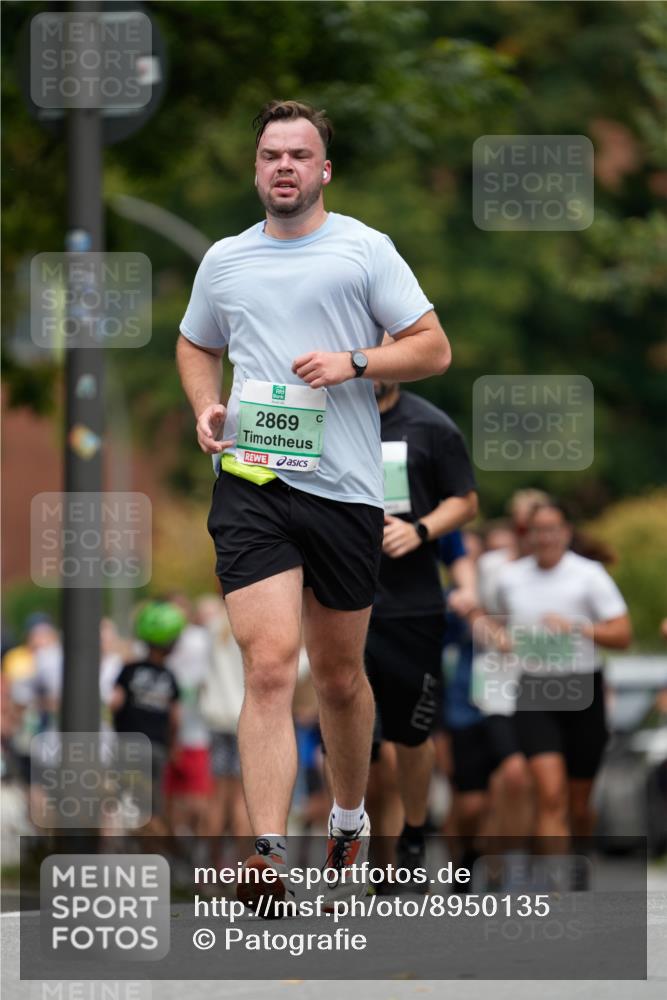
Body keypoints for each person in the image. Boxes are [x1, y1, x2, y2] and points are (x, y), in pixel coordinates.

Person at [176, 99, 451, 910]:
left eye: (299, 155)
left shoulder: (364, 249)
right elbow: (196, 341)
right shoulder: (224, 260)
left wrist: (356, 361)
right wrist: (204, 406)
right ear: (256, 168)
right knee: (267, 666)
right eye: (271, 155)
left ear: (323, 170)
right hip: (255, 481)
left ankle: (347, 817)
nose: (284, 167)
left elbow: (432, 346)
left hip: (344, 488)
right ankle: (264, 854)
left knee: (336, 677)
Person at [365, 382, 477, 886]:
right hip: (343, 602)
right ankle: (358, 844)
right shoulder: (326, 415)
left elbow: (465, 500)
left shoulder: (431, 426)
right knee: (354, 742)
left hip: (412, 608)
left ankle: (412, 833)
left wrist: (420, 531)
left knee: (409, 738)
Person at [495, 500, 632, 847]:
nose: (546, 537)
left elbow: (622, 635)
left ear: (566, 532)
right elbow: (496, 625)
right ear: (528, 535)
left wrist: (577, 627)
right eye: (538, 530)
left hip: (583, 686)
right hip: (535, 690)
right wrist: (502, 639)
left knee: (578, 805)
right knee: (551, 796)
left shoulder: (589, 575)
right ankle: (557, 895)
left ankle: (579, 858)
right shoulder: (510, 579)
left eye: (553, 529)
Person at [110, 601, 184, 834]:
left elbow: (115, 702)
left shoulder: (129, 670)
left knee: (122, 802)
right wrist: (173, 747)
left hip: (128, 746)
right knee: (151, 808)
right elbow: (175, 719)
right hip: (157, 748)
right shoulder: (169, 676)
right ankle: (161, 856)